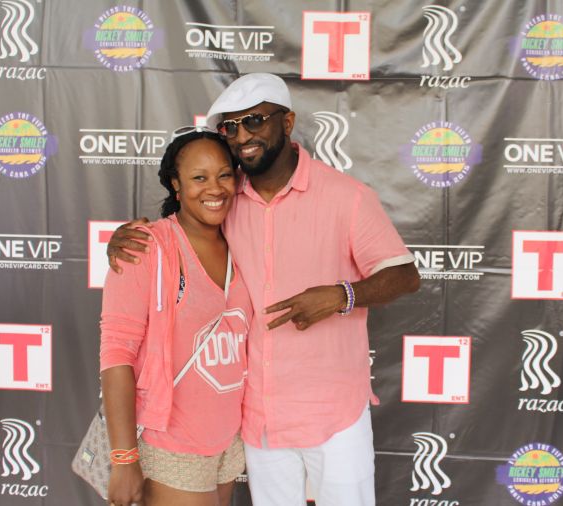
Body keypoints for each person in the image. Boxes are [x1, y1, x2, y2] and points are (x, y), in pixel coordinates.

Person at [107, 72, 420, 506]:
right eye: (230, 127)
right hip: (259, 419)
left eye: (255, 121)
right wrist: (126, 239)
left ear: (287, 122)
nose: (242, 136)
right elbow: (182, 225)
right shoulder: (228, 200)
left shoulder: (345, 196)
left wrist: (341, 296)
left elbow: (405, 275)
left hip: (333, 413)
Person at [100, 130, 251, 506]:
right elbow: (117, 354)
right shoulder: (145, 247)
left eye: (224, 175)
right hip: (169, 442)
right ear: (176, 184)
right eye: (199, 177)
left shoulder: (243, 240)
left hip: (228, 439)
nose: (214, 188)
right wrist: (124, 459)